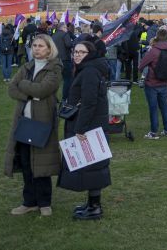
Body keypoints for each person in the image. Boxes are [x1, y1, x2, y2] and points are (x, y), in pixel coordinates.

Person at [4, 34, 63, 217]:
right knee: (25, 163)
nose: (36, 49)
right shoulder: (27, 67)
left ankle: (45, 202)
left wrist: (24, 85)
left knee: (42, 164)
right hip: (23, 122)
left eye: (41, 46)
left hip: (42, 122)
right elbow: (11, 89)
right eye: (34, 45)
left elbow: (43, 89)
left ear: (49, 49)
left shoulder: (55, 68)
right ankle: (29, 202)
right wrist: (29, 94)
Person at [57, 41, 111, 220]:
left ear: (90, 54)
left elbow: (89, 102)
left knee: (93, 165)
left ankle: (95, 207)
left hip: (89, 125)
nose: (77, 55)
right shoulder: (89, 69)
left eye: (82, 52)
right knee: (91, 166)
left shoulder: (89, 71)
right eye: (75, 52)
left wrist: (80, 128)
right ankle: (92, 204)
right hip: (91, 124)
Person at [137, 28, 167, 139]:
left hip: (152, 83)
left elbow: (141, 65)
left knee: (153, 108)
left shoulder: (153, 51)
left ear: (157, 37)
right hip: (164, 82)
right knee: (164, 107)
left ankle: (154, 132)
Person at [52, 22, 74, 100]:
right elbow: (68, 44)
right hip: (65, 60)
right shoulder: (65, 34)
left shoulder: (53, 35)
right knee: (67, 79)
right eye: (65, 27)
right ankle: (65, 97)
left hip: (55, 60)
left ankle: (52, 97)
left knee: (55, 80)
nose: (66, 29)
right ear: (62, 28)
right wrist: (73, 43)